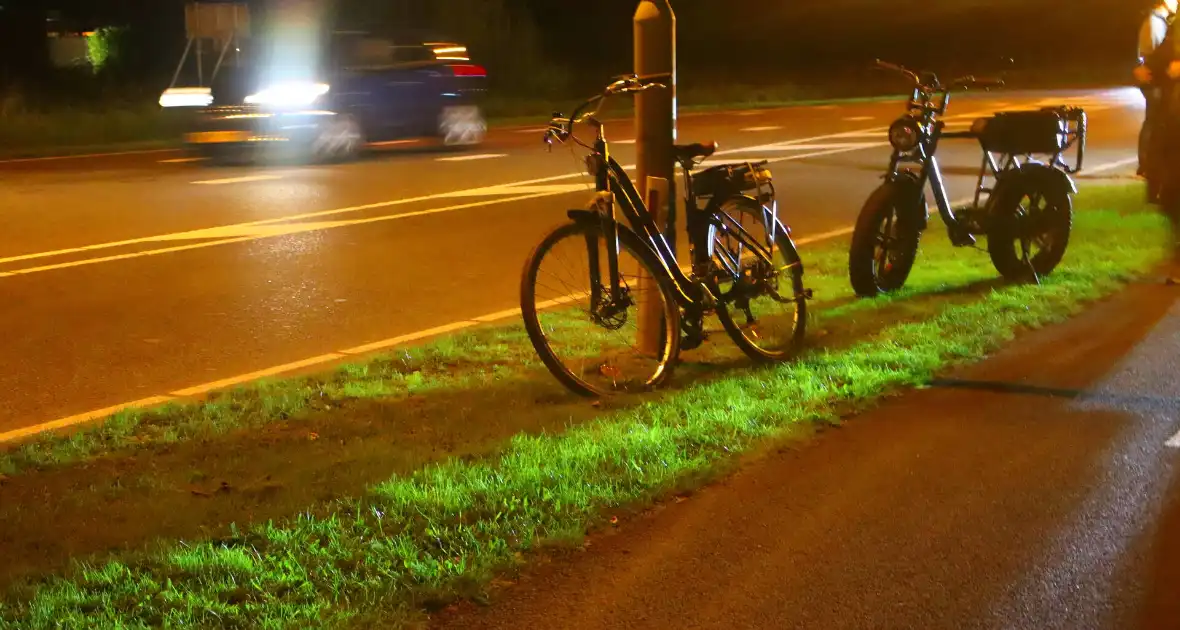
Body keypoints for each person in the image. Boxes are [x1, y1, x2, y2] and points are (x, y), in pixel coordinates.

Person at [1136, 0, 1177, 181]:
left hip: (1157, 78)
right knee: (1152, 120)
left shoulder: (1164, 21)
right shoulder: (1154, 22)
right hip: (1152, 79)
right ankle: (1145, 163)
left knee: (1156, 120)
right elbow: (1149, 54)